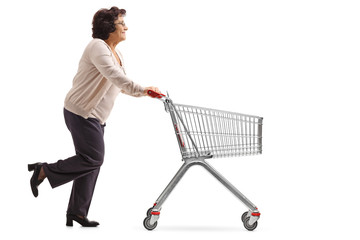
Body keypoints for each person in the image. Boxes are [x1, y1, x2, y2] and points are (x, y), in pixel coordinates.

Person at [27, 7, 161, 227]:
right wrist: (144, 89)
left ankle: (77, 213)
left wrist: (144, 93)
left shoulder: (116, 53)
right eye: (121, 23)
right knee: (94, 159)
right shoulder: (97, 47)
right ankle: (43, 171)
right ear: (109, 27)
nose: (126, 27)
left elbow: (120, 85)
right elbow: (116, 77)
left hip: (96, 118)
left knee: (90, 163)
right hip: (81, 113)